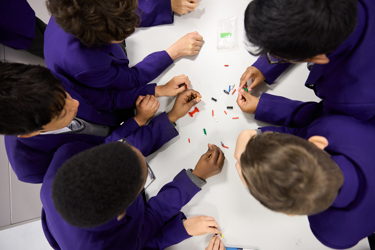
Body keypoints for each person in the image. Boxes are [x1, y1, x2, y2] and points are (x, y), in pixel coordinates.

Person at [0, 62, 200, 183]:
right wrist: (141, 121)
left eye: (65, 94)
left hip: (123, 120)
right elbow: (100, 159)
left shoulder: (47, 82)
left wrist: (158, 90)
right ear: (31, 133)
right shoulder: (31, 167)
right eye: (62, 113)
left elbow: (103, 99)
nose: (75, 103)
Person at [234, 90, 375, 249]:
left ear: (290, 214)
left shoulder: (332, 235)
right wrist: (253, 137)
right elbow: (302, 137)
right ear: (317, 143)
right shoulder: (335, 128)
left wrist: (251, 136)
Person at [41, 140, 225, 249]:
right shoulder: (114, 245)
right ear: (122, 214)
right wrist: (196, 178)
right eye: (145, 178)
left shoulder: (65, 155)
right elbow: (147, 223)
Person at [239, 0, 375, 123]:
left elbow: (322, 120)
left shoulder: (353, 99)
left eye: (277, 57)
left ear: (319, 58)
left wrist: (263, 107)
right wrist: (264, 66)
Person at [44, 0, 203, 91]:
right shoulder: (86, 64)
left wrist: (166, 5)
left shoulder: (86, 6)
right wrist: (172, 52)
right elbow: (130, 79)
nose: (134, 26)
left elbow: (117, 7)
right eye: (122, 34)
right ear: (101, 40)